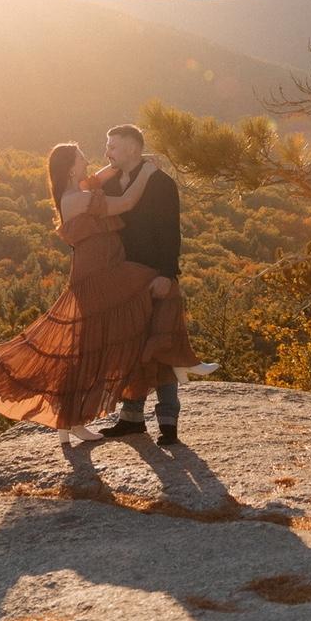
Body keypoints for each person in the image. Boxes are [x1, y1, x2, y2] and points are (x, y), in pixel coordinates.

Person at [0, 143, 202, 445]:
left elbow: (101, 175)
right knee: (150, 296)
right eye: (81, 157)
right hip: (97, 275)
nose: (88, 160)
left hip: (105, 271)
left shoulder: (80, 190)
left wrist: (132, 160)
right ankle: (73, 419)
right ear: (71, 168)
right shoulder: (77, 198)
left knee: (94, 344)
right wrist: (148, 171)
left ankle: (79, 420)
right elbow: (126, 202)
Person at [96, 124, 218, 446]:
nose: (107, 152)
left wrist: (166, 273)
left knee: (162, 346)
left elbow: (170, 231)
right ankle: (131, 419)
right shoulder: (109, 183)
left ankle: (168, 422)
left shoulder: (161, 183)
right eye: (107, 145)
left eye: (113, 146)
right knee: (130, 347)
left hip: (155, 275)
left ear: (132, 149)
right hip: (124, 278)